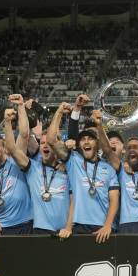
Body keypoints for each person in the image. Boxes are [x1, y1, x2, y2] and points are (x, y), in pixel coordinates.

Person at [47, 104, 120, 243]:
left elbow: (114, 200)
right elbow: (51, 140)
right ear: (79, 145)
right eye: (82, 139)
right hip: (79, 226)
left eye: (90, 139)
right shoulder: (74, 161)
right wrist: (59, 112)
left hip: (103, 228)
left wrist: (108, 225)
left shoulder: (108, 168)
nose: (86, 141)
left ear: (97, 144)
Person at [4, 96, 72, 235]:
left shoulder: (69, 168)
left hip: (66, 230)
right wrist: (8, 121)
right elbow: (13, 148)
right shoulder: (32, 168)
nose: (45, 146)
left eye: (49, 143)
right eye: (42, 143)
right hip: (41, 230)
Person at [0, 123, 34, 246]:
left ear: (4, 148)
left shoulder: (16, 162)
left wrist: (8, 121)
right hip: (2, 229)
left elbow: (24, 135)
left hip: (27, 225)